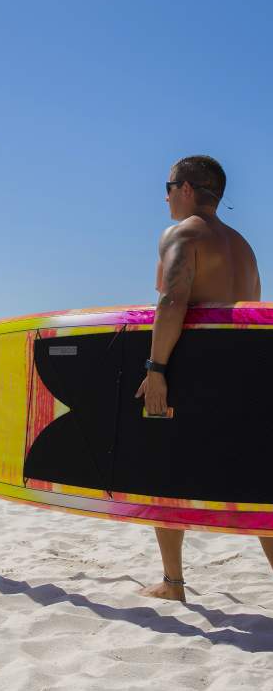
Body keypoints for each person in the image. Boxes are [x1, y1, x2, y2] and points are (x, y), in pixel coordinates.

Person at [135, 155, 272, 601]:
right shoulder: (245, 247)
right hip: (247, 377)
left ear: (188, 188)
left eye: (169, 185)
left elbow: (171, 301)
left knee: (163, 469)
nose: (165, 195)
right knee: (257, 485)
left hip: (196, 372)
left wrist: (156, 370)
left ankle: (173, 583)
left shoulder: (182, 234)